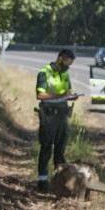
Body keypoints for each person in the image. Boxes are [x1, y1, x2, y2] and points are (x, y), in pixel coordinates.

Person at [36, 48, 77, 190]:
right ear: (60, 58)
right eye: (66, 62)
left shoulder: (65, 73)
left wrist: (71, 96)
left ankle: (59, 183)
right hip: (49, 115)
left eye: (70, 64)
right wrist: (59, 96)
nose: (68, 66)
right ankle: (42, 182)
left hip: (62, 115)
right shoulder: (44, 72)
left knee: (60, 150)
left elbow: (68, 92)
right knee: (47, 148)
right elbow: (40, 95)